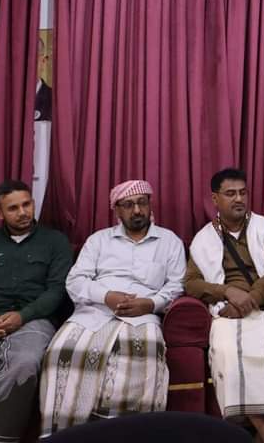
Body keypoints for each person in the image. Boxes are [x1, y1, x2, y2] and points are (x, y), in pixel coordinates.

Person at [40, 179, 186, 435]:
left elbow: (177, 284)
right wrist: (106, 296)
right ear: (117, 210)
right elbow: (75, 281)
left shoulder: (169, 241)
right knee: (60, 353)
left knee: (146, 356)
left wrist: (150, 303)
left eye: (142, 203)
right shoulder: (99, 240)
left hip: (142, 317)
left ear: (150, 204)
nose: (137, 210)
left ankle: (128, 435)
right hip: (94, 314)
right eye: (128, 205)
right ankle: (65, 435)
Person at [184, 168, 264, 443]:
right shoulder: (204, 238)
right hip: (227, 309)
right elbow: (191, 283)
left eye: (243, 192)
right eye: (230, 194)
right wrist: (227, 291)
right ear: (215, 199)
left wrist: (249, 299)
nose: (239, 199)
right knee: (227, 352)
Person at [0, 180, 72, 443]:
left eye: (26, 204)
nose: (23, 212)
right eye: (13, 208)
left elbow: (56, 291)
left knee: (25, 363)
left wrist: (22, 316)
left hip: (34, 319)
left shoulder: (56, 242)